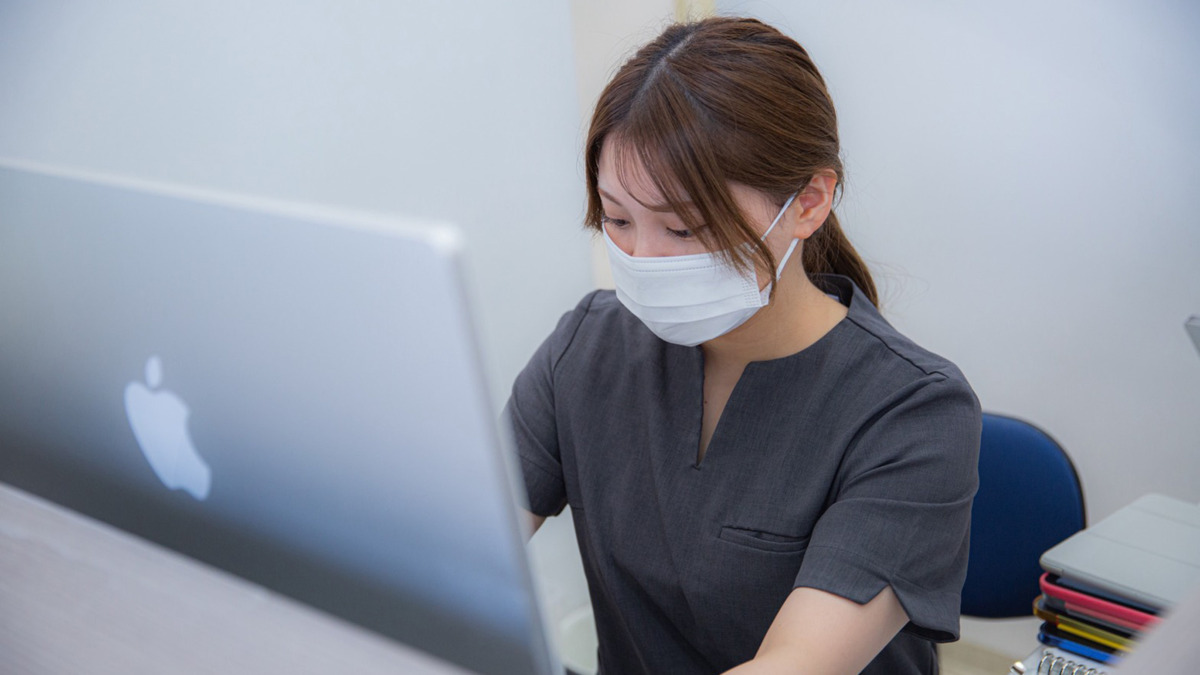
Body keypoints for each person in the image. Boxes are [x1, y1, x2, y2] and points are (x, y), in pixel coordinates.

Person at [505, 16, 981, 675]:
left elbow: (799, 663)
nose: (641, 257)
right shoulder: (585, 349)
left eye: (684, 227)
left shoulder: (914, 412)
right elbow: (456, 546)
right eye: (617, 219)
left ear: (809, 202)